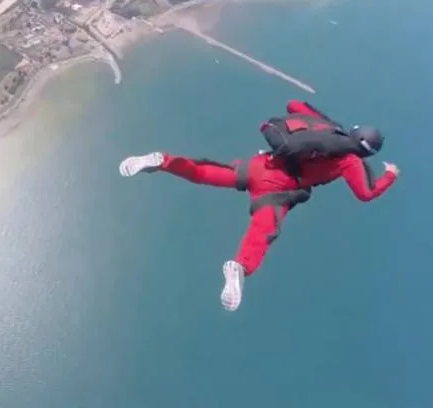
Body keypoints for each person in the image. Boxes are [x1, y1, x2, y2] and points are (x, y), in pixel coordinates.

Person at [118, 100, 400, 312]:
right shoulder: (350, 161)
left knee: (204, 172)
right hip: (279, 189)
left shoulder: (329, 129)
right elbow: (366, 193)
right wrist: (390, 175)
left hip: (260, 165)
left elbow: (294, 104)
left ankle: (163, 162)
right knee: (262, 230)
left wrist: (322, 121)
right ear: (367, 152)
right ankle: (240, 267)